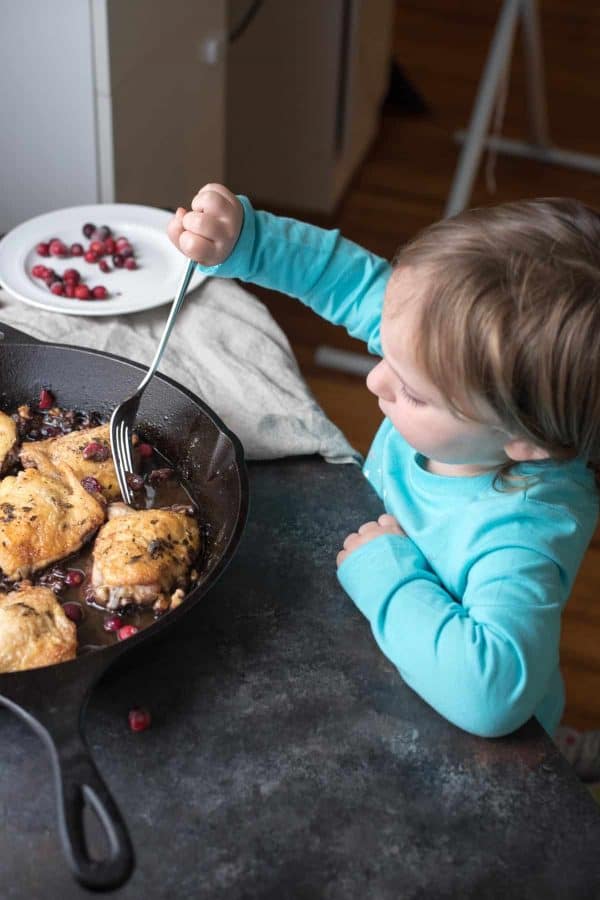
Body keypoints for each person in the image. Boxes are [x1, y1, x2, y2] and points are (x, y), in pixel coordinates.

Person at [168, 183, 600, 772]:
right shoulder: (445, 353)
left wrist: (390, 576)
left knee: (533, 746)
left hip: (463, 735)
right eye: (387, 353)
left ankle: (562, 751)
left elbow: (491, 692)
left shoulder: (525, 524)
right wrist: (250, 238)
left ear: (526, 442)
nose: (375, 380)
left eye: (413, 393)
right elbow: (349, 281)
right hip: (381, 636)